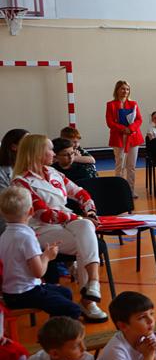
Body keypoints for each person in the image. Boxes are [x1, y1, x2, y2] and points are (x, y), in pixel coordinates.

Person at [12, 134, 107, 322]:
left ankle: (93, 285)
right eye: (50, 149)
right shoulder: (20, 181)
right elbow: (44, 214)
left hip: (66, 223)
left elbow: (80, 192)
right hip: (41, 230)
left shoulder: (54, 173)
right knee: (85, 239)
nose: (53, 153)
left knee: (86, 228)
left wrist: (91, 211)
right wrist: (78, 217)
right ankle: (89, 301)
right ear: (37, 153)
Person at [0, 187, 83, 320]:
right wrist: (47, 256)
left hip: (10, 294)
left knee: (65, 292)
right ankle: (57, 331)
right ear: (31, 211)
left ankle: (55, 324)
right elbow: (38, 272)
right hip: (26, 293)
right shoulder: (26, 236)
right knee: (74, 310)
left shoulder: (4, 235)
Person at [104, 80, 143, 195]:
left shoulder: (133, 104)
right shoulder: (110, 105)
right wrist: (123, 129)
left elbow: (139, 119)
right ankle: (120, 191)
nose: (125, 91)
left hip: (133, 137)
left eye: (127, 89)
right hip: (118, 137)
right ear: (117, 90)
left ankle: (130, 191)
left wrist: (130, 128)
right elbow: (110, 122)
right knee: (119, 165)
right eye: (122, 89)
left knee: (131, 166)